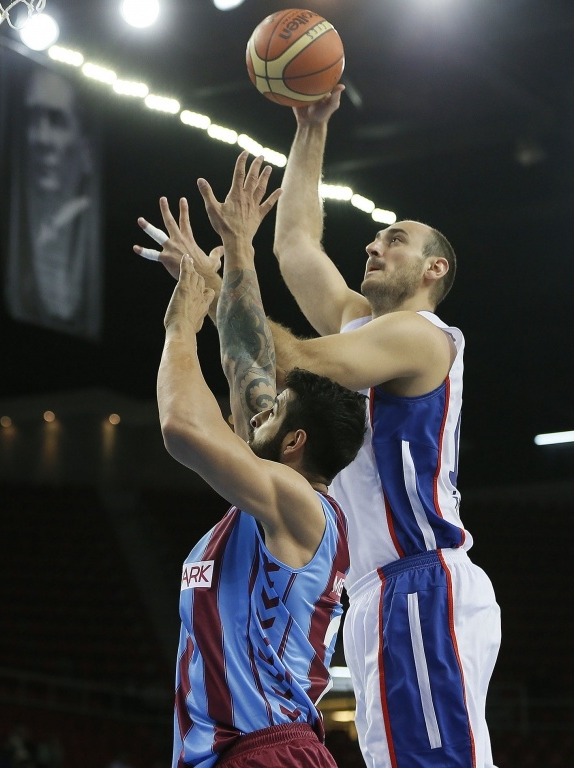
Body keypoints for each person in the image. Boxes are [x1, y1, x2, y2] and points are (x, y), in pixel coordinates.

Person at [266, 86, 502, 768]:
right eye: (373, 237)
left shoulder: (422, 337)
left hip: (419, 581)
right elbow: (295, 245)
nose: (373, 244)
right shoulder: (366, 325)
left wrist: (219, 285)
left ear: (434, 269)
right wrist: (311, 128)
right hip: (373, 592)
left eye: (392, 240)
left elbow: (305, 359)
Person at [145, 152, 367, 767]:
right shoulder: (272, 499)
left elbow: (184, 427)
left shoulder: (301, 506)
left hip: (267, 751)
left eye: (272, 415)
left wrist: (181, 324)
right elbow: (248, 358)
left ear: (294, 443)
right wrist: (237, 247)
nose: (255, 410)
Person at [1, 61, 101, 339]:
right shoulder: (18, 227)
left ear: (85, 146)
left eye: (56, 121)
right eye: (33, 119)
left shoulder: (86, 229)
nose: (41, 138)